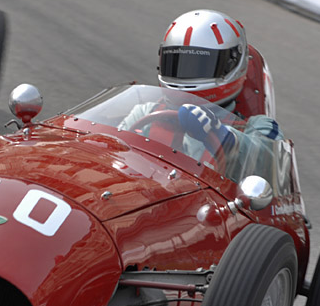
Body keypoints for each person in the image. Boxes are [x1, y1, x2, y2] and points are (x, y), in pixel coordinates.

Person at [119, 9, 283, 181]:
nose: (184, 74)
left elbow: (272, 168)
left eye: (197, 66)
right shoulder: (145, 113)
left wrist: (222, 136)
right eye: (177, 64)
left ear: (232, 65)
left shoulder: (260, 128)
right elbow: (108, 154)